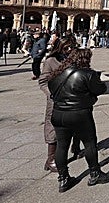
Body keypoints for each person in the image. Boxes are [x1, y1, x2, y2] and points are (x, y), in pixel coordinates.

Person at [47, 48, 109, 192]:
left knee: (62, 146)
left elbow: (51, 90)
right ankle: (95, 174)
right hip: (79, 114)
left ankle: (63, 179)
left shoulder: (56, 74)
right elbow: (100, 89)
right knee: (89, 143)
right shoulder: (86, 74)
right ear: (85, 59)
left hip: (58, 114)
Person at [39, 35, 79, 173]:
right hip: (55, 100)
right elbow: (43, 81)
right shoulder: (50, 61)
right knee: (52, 128)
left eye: (70, 47)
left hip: (70, 99)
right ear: (59, 48)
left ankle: (56, 157)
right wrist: (51, 95)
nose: (68, 50)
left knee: (67, 128)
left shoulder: (71, 59)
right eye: (65, 48)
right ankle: (51, 159)